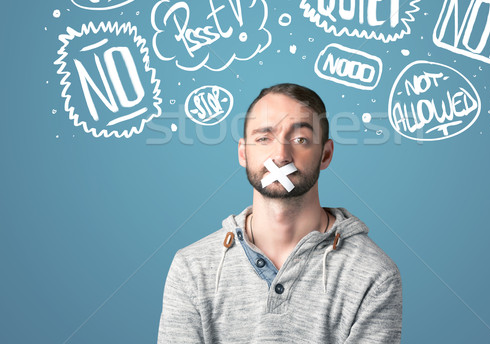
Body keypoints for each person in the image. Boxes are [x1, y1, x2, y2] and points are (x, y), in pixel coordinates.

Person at [158, 83, 402, 343]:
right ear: (243, 153)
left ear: (325, 155)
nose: (281, 155)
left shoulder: (373, 274)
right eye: (264, 138)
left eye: (300, 140)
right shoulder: (193, 268)